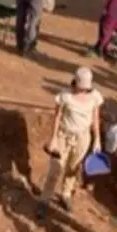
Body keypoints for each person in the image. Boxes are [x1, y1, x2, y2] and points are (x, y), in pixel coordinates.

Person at [36, 67, 103, 219]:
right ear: (75, 83)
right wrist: (53, 138)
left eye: (87, 88)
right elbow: (57, 116)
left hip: (83, 137)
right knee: (55, 169)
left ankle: (66, 194)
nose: (84, 91)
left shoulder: (95, 97)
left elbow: (95, 118)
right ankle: (44, 200)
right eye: (82, 88)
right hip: (63, 136)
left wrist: (97, 138)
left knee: (73, 168)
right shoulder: (65, 96)